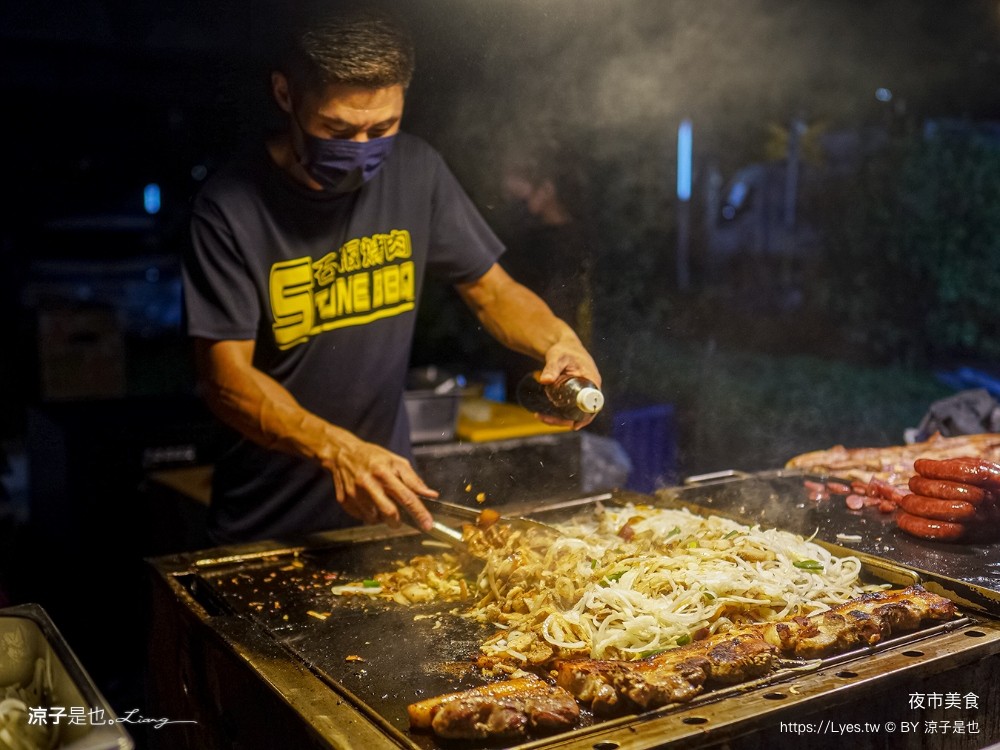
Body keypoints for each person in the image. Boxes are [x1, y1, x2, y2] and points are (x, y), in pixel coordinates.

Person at [182, 8, 601, 544]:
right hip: (267, 526)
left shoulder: (415, 171)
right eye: (338, 128)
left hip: (385, 514)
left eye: (382, 128)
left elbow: (492, 290)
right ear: (286, 95)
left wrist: (559, 340)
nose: (362, 151)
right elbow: (225, 379)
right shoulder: (229, 208)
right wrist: (339, 449)